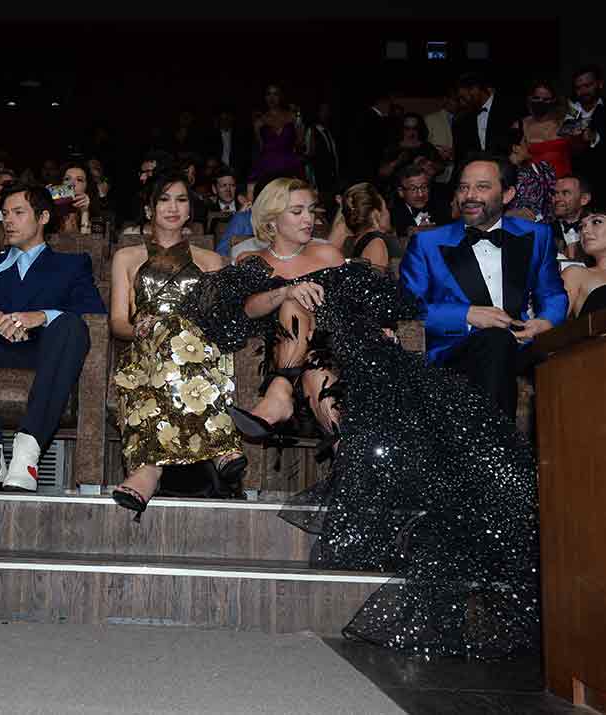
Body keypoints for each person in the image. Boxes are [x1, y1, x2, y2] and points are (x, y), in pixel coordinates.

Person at [181, 176, 542, 658]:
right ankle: (317, 416)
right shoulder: (252, 263)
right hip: (310, 357)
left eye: (313, 209)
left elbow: (379, 308)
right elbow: (243, 310)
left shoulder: (332, 258)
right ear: (271, 220)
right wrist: (291, 289)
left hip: (360, 356)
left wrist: (367, 322)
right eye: (298, 211)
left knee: (326, 363)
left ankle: (281, 399)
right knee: (296, 319)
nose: (310, 219)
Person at [0, 182, 106, 492]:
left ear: (42, 217)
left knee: (71, 326)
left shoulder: (71, 264)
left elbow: (93, 309)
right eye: (4, 214)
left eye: (18, 213)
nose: (8, 221)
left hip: (46, 349)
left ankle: (27, 452)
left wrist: (42, 316)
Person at [107, 170, 243, 518]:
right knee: (168, 338)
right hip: (144, 352)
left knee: (183, 337)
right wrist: (140, 327)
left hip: (199, 355)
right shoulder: (127, 257)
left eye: (181, 199)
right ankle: (220, 443)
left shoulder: (212, 261)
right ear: (150, 209)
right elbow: (118, 322)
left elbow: (221, 324)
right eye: (164, 199)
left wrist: (180, 326)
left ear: (190, 210)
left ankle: (149, 470)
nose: (173, 207)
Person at [401, 155, 567, 418]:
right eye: (464, 187)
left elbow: (553, 294)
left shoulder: (537, 235)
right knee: (495, 339)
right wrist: (467, 315)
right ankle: (495, 450)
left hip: (522, 346)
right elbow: (409, 311)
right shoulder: (427, 243)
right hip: (455, 351)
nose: (470, 195)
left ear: (508, 194)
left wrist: (545, 322)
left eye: (482, 187)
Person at [454, 72, 522, 163]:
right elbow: (461, 157)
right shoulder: (462, 120)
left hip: (506, 170)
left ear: (474, 90)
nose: (462, 102)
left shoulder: (510, 109)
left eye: (463, 97)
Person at [520, 78, 572, 178]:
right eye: (536, 98)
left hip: (562, 183)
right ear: (530, 98)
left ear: (554, 100)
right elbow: (519, 157)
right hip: (534, 183)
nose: (541, 102)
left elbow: (578, 147)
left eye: (546, 99)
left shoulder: (564, 122)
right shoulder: (523, 124)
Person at [250, 84, 304, 180]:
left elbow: (300, 142)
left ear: (281, 96)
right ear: (265, 97)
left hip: (290, 166)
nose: (272, 98)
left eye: (275, 94)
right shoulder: (259, 122)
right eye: (268, 94)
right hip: (268, 169)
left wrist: (299, 119)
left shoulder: (292, 117)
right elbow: (261, 148)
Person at [505, 126, 557, 223]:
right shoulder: (501, 175)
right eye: (525, 142)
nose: (529, 145)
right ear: (515, 148)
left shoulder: (543, 168)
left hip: (545, 227)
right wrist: (510, 214)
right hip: (513, 229)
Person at [561, 207, 606, 317]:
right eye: (581, 227)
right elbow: (550, 329)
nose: (584, 231)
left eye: (596, 222)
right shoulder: (575, 274)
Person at [570, 65, 606, 198]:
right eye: (579, 87)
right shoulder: (567, 111)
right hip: (574, 183)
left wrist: (594, 137)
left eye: (588, 85)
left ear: (599, 84)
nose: (584, 91)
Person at [391, 163, 452, 237]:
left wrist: (432, 230)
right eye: (413, 189)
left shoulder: (442, 204)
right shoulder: (393, 216)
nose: (420, 194)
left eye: (424, 187)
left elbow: (453, 230)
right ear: (401, 192)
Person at [339, 183, 391, 269]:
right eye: (385, 208)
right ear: (376, 213)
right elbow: (374, 281)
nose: (388, 213)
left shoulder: (349, 242)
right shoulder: (376, 244)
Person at [551, 175, 593, 259]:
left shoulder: (598, 229)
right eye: (555, 193)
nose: (557, 199)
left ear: (584, 199)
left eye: (565, 193)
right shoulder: (546, 230)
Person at [303, 103, 340, 194]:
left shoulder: (329, 131)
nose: (326, 113)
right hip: (319, 179)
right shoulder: (311, 131)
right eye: (323, 111)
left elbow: (334, 155)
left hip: (332, 177)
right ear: (318, 113)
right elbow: (308, 155)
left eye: (327, 110)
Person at [55, 162, 96, 234]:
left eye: (79, 180)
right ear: (61, 183)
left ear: (86, 186)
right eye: (67, 179)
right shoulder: (50, 210)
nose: (72, 184)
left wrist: (85, 211)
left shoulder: (95, 214)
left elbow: (87, 240)